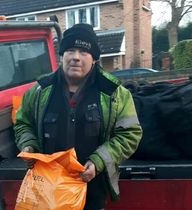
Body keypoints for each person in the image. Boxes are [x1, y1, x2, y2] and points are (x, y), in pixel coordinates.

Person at [14, 23, 142, 210]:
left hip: (92, 188)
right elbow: (23, 124)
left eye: (83, 52)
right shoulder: (39, 92)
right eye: (70, 50)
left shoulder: (114, 94)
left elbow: (130, 134)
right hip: (48, 189)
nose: (75, 57)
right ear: (62, 55)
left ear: (94, 59)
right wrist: (29, 144)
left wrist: (98, 161)